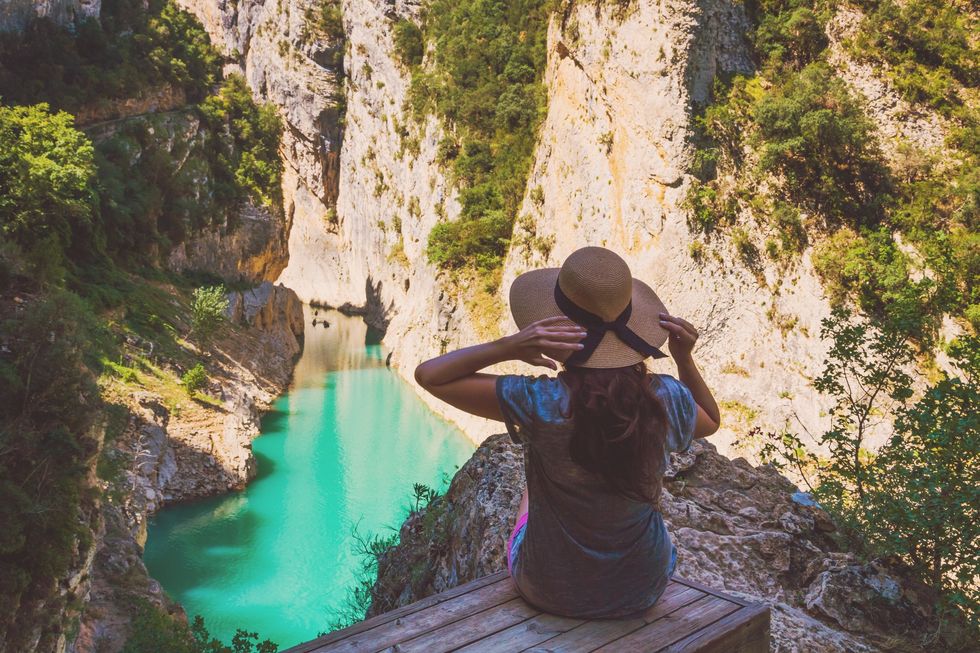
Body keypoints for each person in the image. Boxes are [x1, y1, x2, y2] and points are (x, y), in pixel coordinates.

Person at [414, 246, 720, 618]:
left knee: (530, 490)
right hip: (644, 585)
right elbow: (709, 418)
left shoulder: (539, 402)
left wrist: (510, 346)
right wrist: (685, 357)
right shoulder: (664, 400)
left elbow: (430, 376)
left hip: (550, 589)